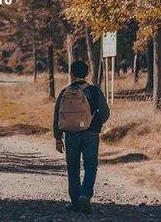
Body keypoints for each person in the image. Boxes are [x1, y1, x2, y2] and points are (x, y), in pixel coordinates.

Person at [53, 60, 110, 214]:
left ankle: (75, 203)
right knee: (90, 166)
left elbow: (57, 115)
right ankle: (85, 194)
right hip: (90, 134)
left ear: (71, 73)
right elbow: (105, 113)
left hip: (70, 135)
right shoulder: (94, 91)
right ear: (87, 74)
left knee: (73, 168)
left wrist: (58, 138)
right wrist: (95, 124)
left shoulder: (64, 92)